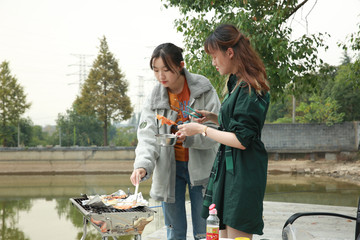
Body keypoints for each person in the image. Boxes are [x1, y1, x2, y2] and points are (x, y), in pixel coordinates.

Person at [177, 24, 270, 239]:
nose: (213, 62)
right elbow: (237, 124)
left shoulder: (249, 87)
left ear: (229, 52)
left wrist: (201, 129)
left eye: (214, 56)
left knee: (237, 235)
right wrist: (211, 118)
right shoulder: (236, 82)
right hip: (230, 170)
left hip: (243, 171)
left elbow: (242, 139)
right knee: (224, 234)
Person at [130, 43, 221, 240]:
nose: (160, 76)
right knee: (175, 232)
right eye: (155, 70)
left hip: (202, 169)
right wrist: (142, 166)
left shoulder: (203, 89)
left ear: (180, 66)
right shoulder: (154, 97)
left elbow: (216, 131)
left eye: (166, 70)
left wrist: (191, 135)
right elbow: (147, 135)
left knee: (204, 231)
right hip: (169, 170)